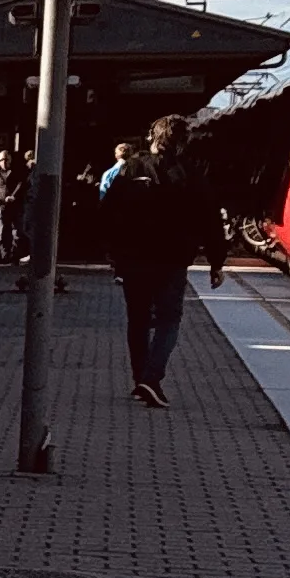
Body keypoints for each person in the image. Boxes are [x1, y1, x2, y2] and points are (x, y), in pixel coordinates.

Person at [97, 118, 223, 408]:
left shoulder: (132, 168)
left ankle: (141, 377)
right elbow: (210, 219)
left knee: (138, 320)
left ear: (152, 137)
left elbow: (108, 211)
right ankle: (151, 378)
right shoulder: (191, 174)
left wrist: (111, 251)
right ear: (183, 141)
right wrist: (217, 261)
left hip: (134, 258)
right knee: (169, 319)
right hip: (172, 260)